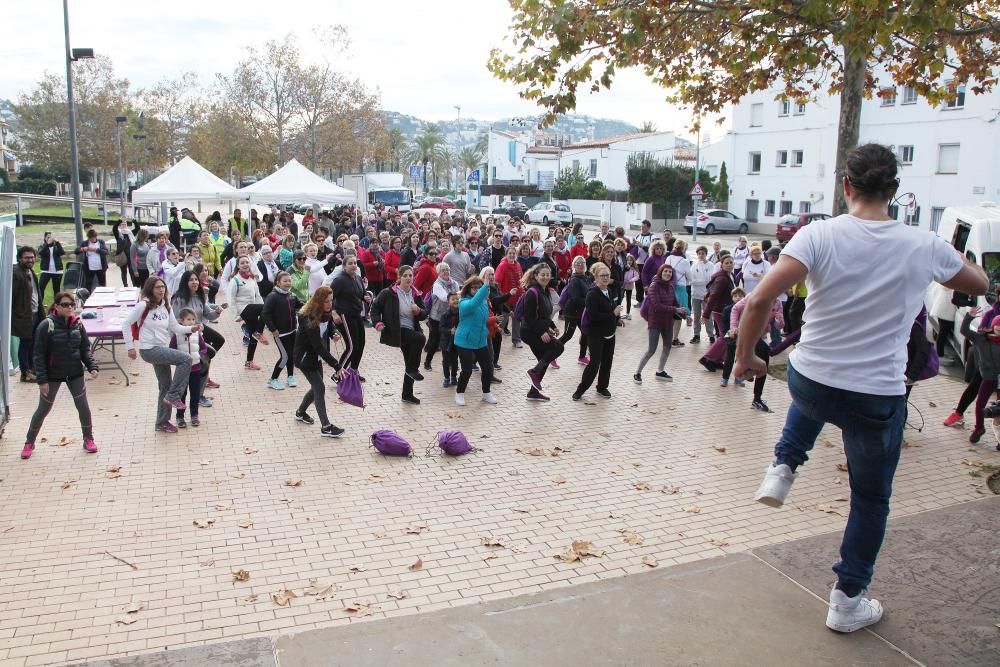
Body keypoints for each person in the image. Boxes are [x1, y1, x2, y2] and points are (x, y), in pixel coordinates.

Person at [735, 143, 986, 633]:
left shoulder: (817, 235)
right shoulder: (923, 245)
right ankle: (847, 600)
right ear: (894, 191)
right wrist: (944, 251)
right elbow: (976, 282)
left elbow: (759, 299)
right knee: (870, 500)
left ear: (845, 185)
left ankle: (784, 464)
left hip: (812, 381)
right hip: (875, 394)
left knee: (814, 386)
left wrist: (746, 358)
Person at [20, 291, 100, 459]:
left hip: (75, 373)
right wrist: (42, 380)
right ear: (56, 307)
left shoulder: (78, 324)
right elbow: (38, 355)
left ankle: (88, 439)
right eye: (65, 305)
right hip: (52, 375)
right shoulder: (46, 326)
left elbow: (85, 348)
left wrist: (92, 366)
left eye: (72, 304)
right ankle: (29, 441)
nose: (69, 307)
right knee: (43, 409)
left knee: (83, 407)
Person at [123, 277, 201, 433]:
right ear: (150, 289)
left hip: (161, 348)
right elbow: (126, 323)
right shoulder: (143, 305)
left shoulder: (166, 306)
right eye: (158, 287)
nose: (161, 290)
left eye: (163, 287)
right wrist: (130, 347)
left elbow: (175, 327)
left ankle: (162, 422)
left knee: (164, 386)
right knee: (185, 359)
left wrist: (191, 329)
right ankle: (174, 395)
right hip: (149, 349)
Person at [294, 286, 346, 438]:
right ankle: (326, 427)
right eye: (326, 301)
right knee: (319, 387)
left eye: (331, 300)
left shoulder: (327, 314)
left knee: (316, 387)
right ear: (318, 301)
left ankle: (300, 412)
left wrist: (334, 333)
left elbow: (329, 327)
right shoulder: (309, 317)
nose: (330, 304)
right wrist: (336, 365)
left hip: (315, 357)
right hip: (304, 357)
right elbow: (317, 346)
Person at [371, 264, 428, 404]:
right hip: (396, 331)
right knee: (421, 339)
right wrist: (378, 323)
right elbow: (375, 308)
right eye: (405, 275)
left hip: (412, 329)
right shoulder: (388, 293)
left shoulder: (415, 293)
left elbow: (424, 313)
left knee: (410, 362)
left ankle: (407, 394)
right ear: (399, 277)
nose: (408, 278)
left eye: (411, 275)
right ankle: (413, 371)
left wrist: (418, 311)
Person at [573, 262, 624, 400]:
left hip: (610, 333)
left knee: (607, 361)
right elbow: (594, 315)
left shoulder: (609, 291)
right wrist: (613, 314)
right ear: (596, 278)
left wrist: (617, 319)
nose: (606, 278)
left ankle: (602, 387)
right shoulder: (592, 294)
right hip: (595, 334)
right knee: (595, 363)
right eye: (602, 276)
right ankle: (580, 390)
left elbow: (611, 308)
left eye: (607, 275)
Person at [173, 267, 225, 396]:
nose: (195, 282)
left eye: (196, 279)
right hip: (187, 332)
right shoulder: (179, 299)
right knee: (204, 360)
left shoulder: (200, 296)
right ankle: (199, 393)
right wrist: (187, 330)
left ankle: (201, 366)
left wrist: (217, 312)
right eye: (191, 280)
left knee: (218, 341)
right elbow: (175, 321)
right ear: (185, 282)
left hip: (200, 328)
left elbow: (209, 314)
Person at [730, 292, 783, 411]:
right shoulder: (754, 296)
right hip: (746, 331)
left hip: (762, 334)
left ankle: (757, 397)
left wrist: (779, 320)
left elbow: (780, 326)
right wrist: (733, 327)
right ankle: (745, 370)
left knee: (764, 362)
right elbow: (735, 308)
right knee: (763, 353)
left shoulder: (778, 303)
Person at [633, 263, 685, 384]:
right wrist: (675, 309)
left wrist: (685, 315)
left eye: (670, 272)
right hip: (655, 321)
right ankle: (637, 373)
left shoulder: (671, 286)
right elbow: (656, 306)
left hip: (667, 322)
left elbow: (675, 303)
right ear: (660, 272)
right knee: (651, 349)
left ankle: (660, 371)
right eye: (665, 271)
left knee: (667, 347)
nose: (668, 274)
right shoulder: (654, 286)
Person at [520, 264, 564, 401]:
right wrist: (541, 332)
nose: (545, 277)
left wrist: (552, 326)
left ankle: (533, 392)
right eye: (542, 275)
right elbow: (529, 317)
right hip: (529, 331)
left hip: (538, 329)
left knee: (543, 360)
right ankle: (533, 373)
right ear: (536, 276)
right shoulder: (532, 292)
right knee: (557, 347)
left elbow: (545, 314)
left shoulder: (545, 291)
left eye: (547, 274)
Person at [453, 275, 498, 406]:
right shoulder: (464, 303)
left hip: (480, 340)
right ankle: (460, 393)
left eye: (479, 287)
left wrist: (495, 325)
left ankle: (486, 393)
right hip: (464, 341)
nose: (477, 290)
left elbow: (485, 319)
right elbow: (474, 303)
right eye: (474, 288)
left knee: (488, 367)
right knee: (466, 370)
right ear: (468, 289)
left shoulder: (484, 302)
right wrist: (485, 286)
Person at [329, 254, 369, 377]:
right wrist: (333, 312)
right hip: (345, 315)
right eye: (350, 263)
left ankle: (353, 372)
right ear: (344, 267)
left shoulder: (357, 277)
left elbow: (362, 293)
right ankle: (338, 374)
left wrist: (366, 297)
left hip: (357, 314)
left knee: (360, 344)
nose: (353, 265)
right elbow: (329, 297)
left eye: (355, 263)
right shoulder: (339, 280)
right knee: (352, 346)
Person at [228, 256, 269, 370]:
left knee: (253, 338)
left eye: (247, 262)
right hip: (243, 309)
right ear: (238, 266)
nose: (245, 264)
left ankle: (249, 362)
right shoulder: (235, 280)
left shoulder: (252, 279)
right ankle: (259, 332)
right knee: (265, 311)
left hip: (252, 309)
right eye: (242, 263)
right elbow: (231, 298)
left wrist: (262, 308)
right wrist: (236, 315)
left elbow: (258, 295)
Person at [263, 271, 301, 391]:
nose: (287, 283)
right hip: (280, 333)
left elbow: (301, 306)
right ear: (278, 283)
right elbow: (265, 314)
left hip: (292, 330)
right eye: (285, 281)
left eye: (289, 281)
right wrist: (273, 329)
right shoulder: (273, 296)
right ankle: (273, 379)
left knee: (291, 355)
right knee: (285, 356)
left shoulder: (291, 295)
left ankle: (290, 376)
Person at [170, 308, 207, 428]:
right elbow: (172, 350)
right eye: (188, 319)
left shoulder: (197, 334)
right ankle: (180, 417)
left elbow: (203, 347)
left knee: (195, 394)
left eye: (193, 319)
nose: (191, 322)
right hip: (182, 371)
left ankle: (194, 415)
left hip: (196, 369)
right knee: (182, 394)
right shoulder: (177, 335)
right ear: (181, 321)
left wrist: (199, 355)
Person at [13, 246, 45, 382]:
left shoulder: (30, 271)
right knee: (25, 343)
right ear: (20, 259)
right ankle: (25, 372)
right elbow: (12, 297)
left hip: (35, 313)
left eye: (32, 257)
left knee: (33, 342)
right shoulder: (16, 273)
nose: (30, 260)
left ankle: (32, 369)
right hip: (25, 316)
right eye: (26, 258)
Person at [423, 262, 460, 370]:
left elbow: (458, 298)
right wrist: (457, 296)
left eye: (447, 269)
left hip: (450, 316)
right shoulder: (437, 285)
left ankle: (449, 363)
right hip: (437, 317)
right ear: (438, 272)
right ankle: (427, 362)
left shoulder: (455, 283)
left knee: (450, 340)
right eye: (443, 270)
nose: (446, 272)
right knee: (435, 341)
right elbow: (445, 298)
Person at [559, 255, 592, 365]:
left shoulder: (586, 277)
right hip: (572, 313)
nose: (580, 265)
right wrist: (590, 302)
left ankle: (582, 357)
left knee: (586, 333)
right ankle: (551, 355)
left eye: (582, 263)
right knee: (568, 335)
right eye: (577, 263)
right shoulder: (574, 280)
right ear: (574, 266)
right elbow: (576, 298)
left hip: (581, 312)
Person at [495, 245, 524, 346]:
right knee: (503, 319)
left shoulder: (518, 265)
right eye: (510, 253)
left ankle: (516, 340)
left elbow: (521, 280)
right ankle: (493, 336)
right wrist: (501, 296)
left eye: (514, 253)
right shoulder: (502, 266)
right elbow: (497, 282)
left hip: (517, 298)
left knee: (517, 319)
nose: (512, 255)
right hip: (505, 298)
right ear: (506, 255)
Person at [665, 239, 691, 347]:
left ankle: (667, 338)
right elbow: (690, 277)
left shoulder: (668, 258)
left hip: (668, 287)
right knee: (678, 315)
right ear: (684, 248)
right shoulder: (684, 261)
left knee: (669, 314)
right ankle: (674, 339)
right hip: (680, 289)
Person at [690, 245, 716, 344]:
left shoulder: (711, 265)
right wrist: (701, 281)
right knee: (696, 316)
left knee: (708, 315)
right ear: (697, 254)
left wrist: (700, 281)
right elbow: (692, 280)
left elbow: (710, 280)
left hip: (707, 294)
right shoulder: (694, 265)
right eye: (699, 254)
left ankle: (711, 335)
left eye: (703, 254)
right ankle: (696, 335)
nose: (701, 255)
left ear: (706, 254)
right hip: (695, 294)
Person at [439, 293, 460, 387]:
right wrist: (449, 331)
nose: (455, 300)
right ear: (448, 302)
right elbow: (441, 328)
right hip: (446, 342)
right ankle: (446, 377)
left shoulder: (461, 313)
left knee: (455, 360)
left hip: (456, 342)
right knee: (446, 361)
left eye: (457, 299)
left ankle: (454, 377)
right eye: (453, 299)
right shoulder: (445, 315)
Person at [37, 232, 66, 301]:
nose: (49, 238)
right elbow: (41, 253)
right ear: (45, 238)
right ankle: (40, 304)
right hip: (46, 271)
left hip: (57, 271)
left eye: (51, 237)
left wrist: (58, 242)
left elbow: (62, 252)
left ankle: (57, 305)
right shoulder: (42, 246)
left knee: (56, 289)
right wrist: (47, 244)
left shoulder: (56, 246)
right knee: (41, 287)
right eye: (48, 237)